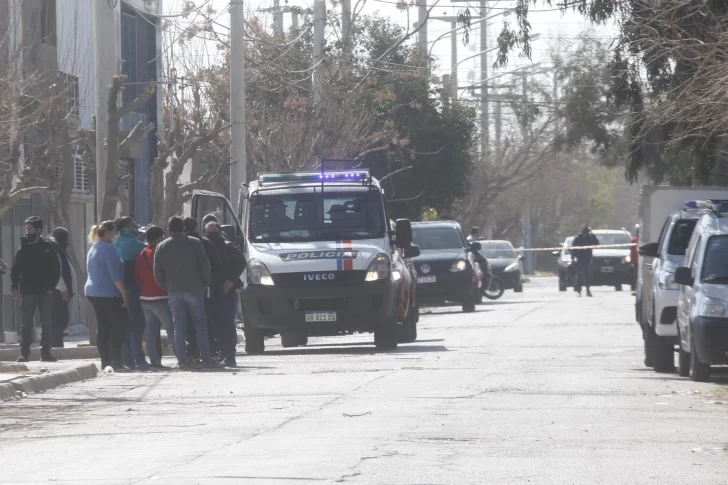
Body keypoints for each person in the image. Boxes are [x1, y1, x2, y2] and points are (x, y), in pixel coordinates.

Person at [154, 216, 219, 369]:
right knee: (200, 324)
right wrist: (204, 283)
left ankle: (183, 360)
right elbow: (205, 265)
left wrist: (165, 286)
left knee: (179, 326)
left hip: (174, 290)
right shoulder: (195, 243)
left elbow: (157, 272)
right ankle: (206, 358)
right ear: (182, 228)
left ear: (169, 230)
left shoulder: (162, 247)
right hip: (195, 288)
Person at [11, 217, 61, 362]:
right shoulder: (24, 246)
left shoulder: (48, 246)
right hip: (27, 292)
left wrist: (51, 287)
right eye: (26, 229)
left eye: (30, 229)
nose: (27, 232)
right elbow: (15, 269)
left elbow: (56, 268)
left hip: (45, 292)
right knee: (26, 324)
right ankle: (24, 353)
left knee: (46, 324)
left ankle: (46, 353)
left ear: (38, 230)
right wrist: (14, 287)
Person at [85, 221, 129, 371]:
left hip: (93, 292)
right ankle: (116, 361)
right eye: (114, 231)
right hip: (108, 294)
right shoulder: (109, 250)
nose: (115, 234)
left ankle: (105, 361)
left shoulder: (93, 249)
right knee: (118, 327)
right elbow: (115, 276)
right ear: (109, 232)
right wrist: (125, 294)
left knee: (103, 327)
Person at [205, 221, 246, 367]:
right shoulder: (205, 246)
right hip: (212, 290)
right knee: (214, 324)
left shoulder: (228, 246)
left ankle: (230, 355)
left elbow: (241, 262)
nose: (212, 236)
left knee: (227, 324)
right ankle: (220, 353)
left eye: (214, 232)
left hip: (227, 290)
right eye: (209, 233)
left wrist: (230, 280)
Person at [135, 225, 174, 369]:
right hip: (160, 297)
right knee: (172, 329)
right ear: (159, 238)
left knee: (150, 332)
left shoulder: (141, 254)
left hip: (144, 298)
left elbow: (138, 277)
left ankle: (155, 362)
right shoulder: (160, 253)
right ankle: (183, 358)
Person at [183, 217, 221, 361]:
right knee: (206, 322)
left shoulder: (175, 244)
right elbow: (216, 266)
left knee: (188, 324)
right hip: (204, 290)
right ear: (197, 228)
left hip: (181, 290)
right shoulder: (205, 243)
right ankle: (211, 355)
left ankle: (193, 356)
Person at [115, 217, 150, 371]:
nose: (136, 226)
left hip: (118, 290)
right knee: (136, 325)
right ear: (127, 228)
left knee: (125, 326)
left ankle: (127, 358)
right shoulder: (135, 245)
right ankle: (139, 359)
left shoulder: (116, 243)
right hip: (133, 289)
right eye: (133, 224)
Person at [50, 228, 75, 348]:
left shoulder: (59, 250)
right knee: (58, 320)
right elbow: (55, 271)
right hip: (58, 292)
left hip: (60, 291)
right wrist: (63, 288)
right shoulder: (55, 249)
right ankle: (55, 345)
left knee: (61, 319)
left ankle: (56, 343)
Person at [572, 224, 600, 297]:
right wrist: (573, 258)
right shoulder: (578, 238)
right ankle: (579, 291)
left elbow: (596, 243)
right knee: (580, 275)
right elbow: (573, 248)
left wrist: (592, 234)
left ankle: (588, 291)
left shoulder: (589, 237)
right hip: (580, 258)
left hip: (587, 258)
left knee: (588, 276)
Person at [631, 224, 639, 293]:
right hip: (636, 261)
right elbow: (632, 252)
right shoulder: (634, 240)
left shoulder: (635, 240)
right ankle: (635, 288)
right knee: (635, 275)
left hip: (639, 261)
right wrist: (632, 261)